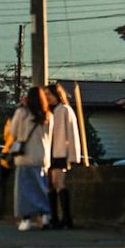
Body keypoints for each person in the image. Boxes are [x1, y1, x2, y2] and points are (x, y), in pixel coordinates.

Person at [7, 86, 53, 231]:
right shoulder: (48, 116)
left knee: (24, 190)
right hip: (42, 157)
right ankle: (45, 215)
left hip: (24, 157)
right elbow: (50, 137)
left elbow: (12, 132)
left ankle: (26, 219)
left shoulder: (22, 113)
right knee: (41, 187)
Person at [46, 82, 83, 229]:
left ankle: (66, 217)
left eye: (49, 94)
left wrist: (73, 155)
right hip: (51, 153)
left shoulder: (64, 110)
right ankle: (55, 217)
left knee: (59, 183)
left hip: (61, 152)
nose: (47, 97)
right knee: (52, 185)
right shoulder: (50, 111)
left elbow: (72, 134)